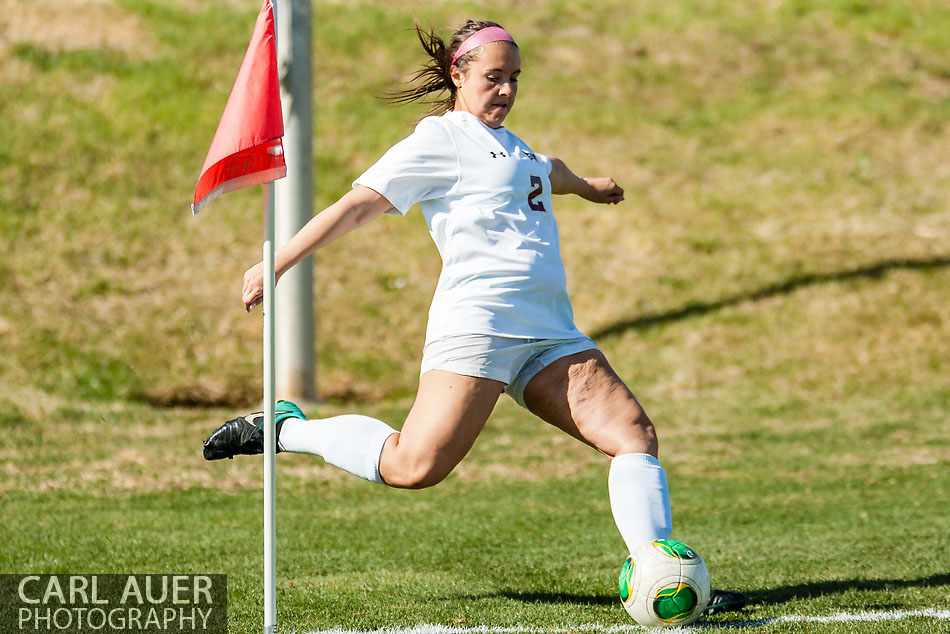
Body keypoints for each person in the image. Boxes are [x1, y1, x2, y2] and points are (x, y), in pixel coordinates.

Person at [202, 19, 746, 616]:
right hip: (479, 327)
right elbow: (358, 206)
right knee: (414, 466)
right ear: (458, 75)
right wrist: (276, 262)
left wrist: (591, 188)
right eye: (494, 77)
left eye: (515, 79)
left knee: (633, 436)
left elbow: (550, 172)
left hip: (551, 332)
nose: (507, 90)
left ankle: (662, 577)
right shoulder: (438, 140)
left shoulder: (516, 147)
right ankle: (285, 430)